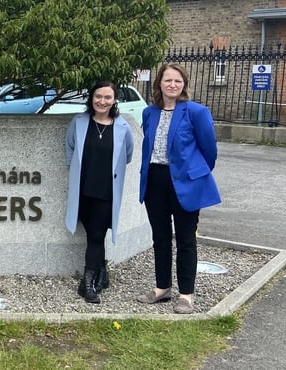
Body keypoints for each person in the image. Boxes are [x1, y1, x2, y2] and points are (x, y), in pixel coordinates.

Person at [136, 63, 221, 314]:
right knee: (160, 238)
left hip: (185, 183)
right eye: (167, 80)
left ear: (184, 85)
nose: (172, 85)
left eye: (177, 81)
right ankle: (162, 288)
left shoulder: (196, 111)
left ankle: (186, 294)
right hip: (155, 180)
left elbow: (209, 150)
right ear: (159, 84)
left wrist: (195, 172)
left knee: (185, 240)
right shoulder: (149, 113)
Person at [65, 81, 134, 303]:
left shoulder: (122, 127)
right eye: (98, 96)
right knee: (93, 234)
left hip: (106, 193)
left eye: (107, 97)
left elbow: (128, 155)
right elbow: (70, 151)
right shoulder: (79, 122)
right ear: (91, 98)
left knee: (96, 237)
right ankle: (102, 274)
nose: (102, 101)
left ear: (114, 100)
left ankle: (87, 284)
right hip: (83, 191)